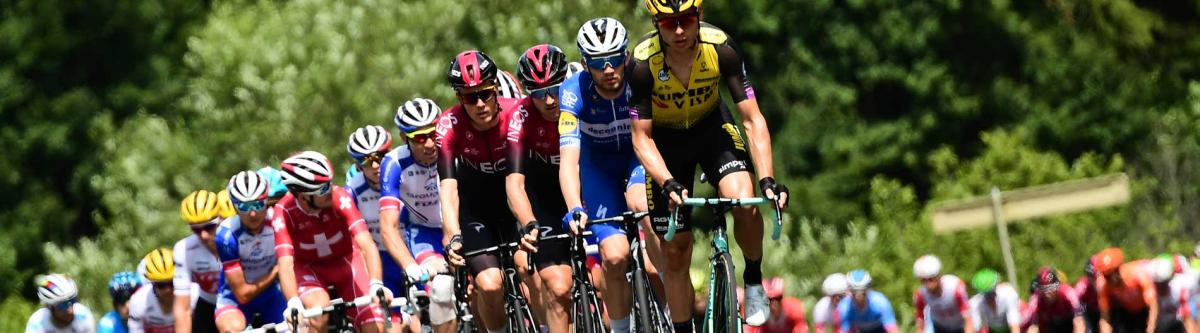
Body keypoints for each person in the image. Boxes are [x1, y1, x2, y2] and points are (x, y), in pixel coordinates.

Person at [627, 0, 791, 329]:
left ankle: (753, 279)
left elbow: (752, 119)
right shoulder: (642, 64)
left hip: (711, 128)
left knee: (744, 201)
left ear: (698, 15)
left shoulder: (722, 48)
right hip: (665, 143)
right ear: (656, 22)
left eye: (687, 20)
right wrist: (667, 182)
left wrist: (768, 180)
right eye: (668, 22)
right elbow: (641, 138)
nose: (679, 30)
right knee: (675, 250)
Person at [562, 17, 659, 333]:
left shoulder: (640, 76)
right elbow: (569, 160)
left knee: (641, 205)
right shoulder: (572, 92)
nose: (608, 69)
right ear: (584, 64)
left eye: (615, 59)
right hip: (598, 169)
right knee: (615, 257)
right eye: (597, 62)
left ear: (626, 55)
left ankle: (674, 307)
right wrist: (574, 206)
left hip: (636, 157)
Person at [438, 49, 533, 333]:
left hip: (517, 201)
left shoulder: (517, 112)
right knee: (489, 286)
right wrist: (453, 235)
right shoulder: (449, 125)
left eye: (485, 94)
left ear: (495, 90)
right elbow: (448, 189)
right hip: (476, 209)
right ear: (459, 98)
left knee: (530, 270)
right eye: (470, 97)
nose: (479, 103)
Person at [273, 151, 391, 333]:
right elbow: (286, 264)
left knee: (375, 327)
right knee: (318, 313)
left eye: (329, 183)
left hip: (346, 262)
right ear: (303, 197)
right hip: (309, 269)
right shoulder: (283, 212)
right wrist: (293, 302)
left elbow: (367, 245)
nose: (330, 191)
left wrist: (376, 283)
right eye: (322, 189)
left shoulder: (339, 196)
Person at [508, 43, 575, 333]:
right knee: (558, 289)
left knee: (607, 273)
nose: (548, 100)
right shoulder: (520, 117)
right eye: (537, 93)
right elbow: (514, 182)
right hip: (544, 198)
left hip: (584, 188)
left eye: (554, 89)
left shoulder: (581, 98)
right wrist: (528, 223)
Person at [383, 98, 458, 333]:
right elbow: (388, 226)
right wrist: (409, 265)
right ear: (404, 138)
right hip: (425, 235)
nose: (429, 143)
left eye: (433, 133)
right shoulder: (394, 163)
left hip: (459, 225)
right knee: (441, 290)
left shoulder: (454, 148)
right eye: (419, 138)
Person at [344, 125, 416, 332]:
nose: (375, 165)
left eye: (381, 156)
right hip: (381, 261)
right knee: (394, 327)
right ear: (357, 165)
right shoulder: (353, 190)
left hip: (413, 251)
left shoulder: (405, 175)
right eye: (366, 161)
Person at [213, 171, 288, 332]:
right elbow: (243, 294)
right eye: (244, 206)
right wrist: (276, 270)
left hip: (272, 295)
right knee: (232, 329)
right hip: (234, 299)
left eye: (258, 204)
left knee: (299, 323)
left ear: (266, 201)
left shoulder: (278, 221)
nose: (252, 213)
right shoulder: (226, 235)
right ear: (235, 206)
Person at [174, 190, 225, 333]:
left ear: (221, 218)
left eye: (209, 227)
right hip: (208, 304)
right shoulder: (184, 249)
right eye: (196, 229)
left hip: (240, 302)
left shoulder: (236, 238)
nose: (203, 235)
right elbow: (182, 309)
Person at [128, 248, 200, 333]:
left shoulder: (195, 294)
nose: (167, 290)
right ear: (152, 284)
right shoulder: (139, 301)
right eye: (161, 285)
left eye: (172, 283)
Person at [1094, 248, 1158, 333]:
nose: (1110, 280)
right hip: (1127, 312)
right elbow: (1105, 317)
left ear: (1118, 269)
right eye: (1106, 277)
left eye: (1111, 275)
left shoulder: (1137, 274)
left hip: (1146, 309)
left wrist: (1151, 329)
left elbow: (1153, 306)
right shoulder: (1104, 285)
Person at [912, 255, 974, 333]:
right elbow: (920, 322)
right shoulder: (920, 295)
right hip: (939, 327)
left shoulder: (955, 288)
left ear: (939, 275)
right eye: (923, 280)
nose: (928, 284)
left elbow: (968, 319)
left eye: (931, 278)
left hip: (960, 326)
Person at [26, 273, 95, 333]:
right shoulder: (38, 322)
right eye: (64, 305)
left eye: (73, 300)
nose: (71, 310)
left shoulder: (83, 315)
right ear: (51, 307)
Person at [1025, 267, 1085, 333]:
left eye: (1051, 287)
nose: (1047, 292)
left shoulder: (1068, 293)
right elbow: (1033, 327)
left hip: (1070, 321)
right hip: (1051, 325)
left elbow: (1079, 322)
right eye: (1044, 288)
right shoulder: (1035, 299)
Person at [967, 269, 1020, 333]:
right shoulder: (974, 303)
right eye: (986, 295)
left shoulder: (1009, 294)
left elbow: (1015, 326)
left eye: (991, 292)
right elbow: (973, 328)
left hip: (1018, 323)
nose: (990, 298)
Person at [1148, 258, 1190, 333]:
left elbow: (1186, 315)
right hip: (1159, 326)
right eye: (1158, 284)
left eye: (1163, 283)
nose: (1161, 286)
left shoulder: (1177, 289)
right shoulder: (1151, 292)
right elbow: (1152, 316)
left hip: (1176, 325)